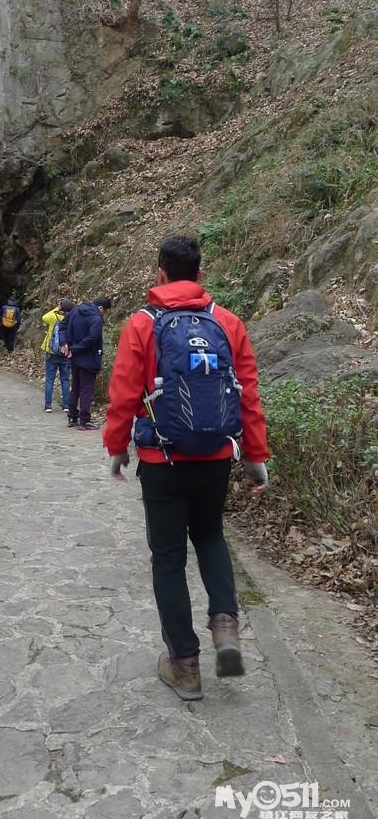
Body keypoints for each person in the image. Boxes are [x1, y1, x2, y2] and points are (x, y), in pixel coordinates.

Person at [103, 235, 269, 702]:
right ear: (200, 274)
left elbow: (124, 393)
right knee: (211, 536)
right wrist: (255, 456)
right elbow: (247, 393)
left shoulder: (142, 323)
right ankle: (226, 626)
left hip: (163, 459)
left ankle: (185, 665)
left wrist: (117, 448)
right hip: (215, 457)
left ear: (160, 273)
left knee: (169, 558)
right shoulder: (228, 322)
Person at [60, 296, 111, 430]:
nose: (104, 314)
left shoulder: (75, 311)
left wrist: (65, 343)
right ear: (101, 308)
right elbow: (92, 338)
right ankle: (84, 420)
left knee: (75, 387)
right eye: (105, 311)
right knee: (86, 389)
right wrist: (75, 349)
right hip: (88, 357)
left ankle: (72, 417)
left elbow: (62, 326)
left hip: (74, 357)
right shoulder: (96, 318)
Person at [40, 298, 73, 413]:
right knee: (65, 379)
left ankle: (48, 405)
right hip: (65, 352)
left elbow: (44, 318)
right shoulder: (71, 319)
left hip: (51, 352)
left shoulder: (53, 317)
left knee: (50, 379)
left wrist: (57, 308)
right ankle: (66, 405)